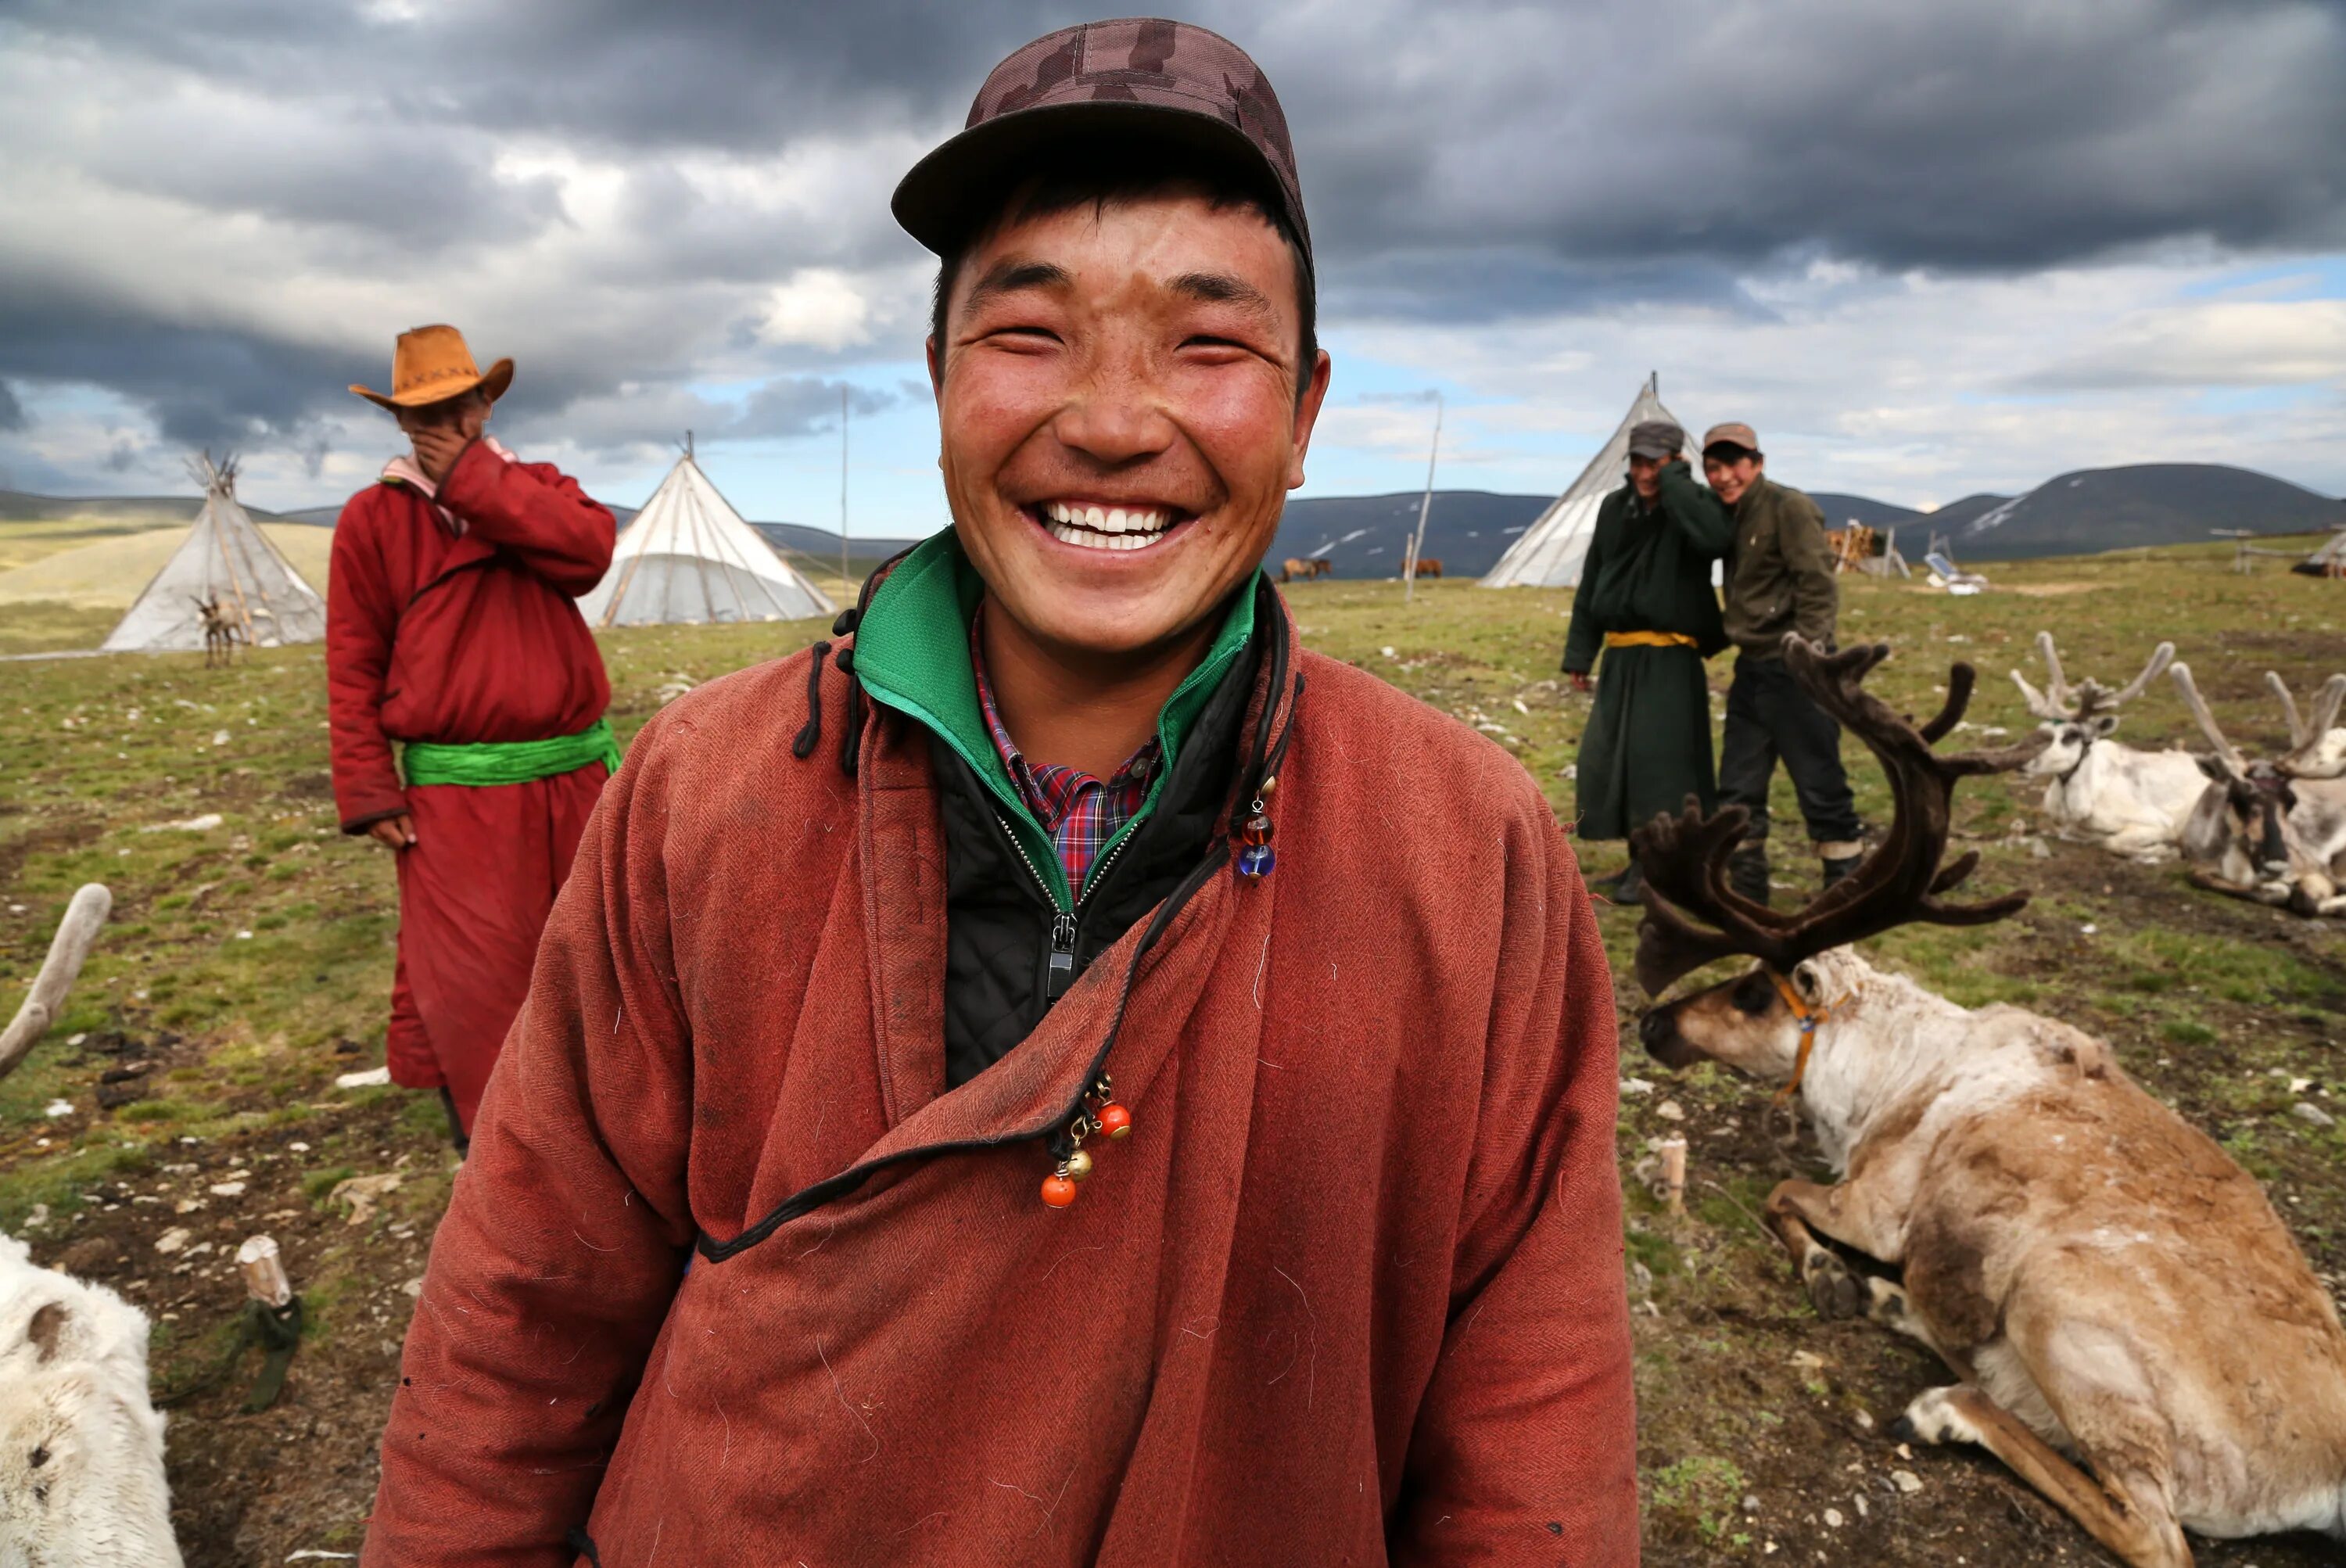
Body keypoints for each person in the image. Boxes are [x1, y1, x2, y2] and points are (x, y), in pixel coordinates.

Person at [361, 21, 1636, 1566]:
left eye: (1208, 344)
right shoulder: (704, 794)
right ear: (939, 380)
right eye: (1029, 334)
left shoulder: (1468, 850)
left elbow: (1534, 1429)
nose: (1109, 419)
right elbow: (525, 1307)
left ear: (1303, 412)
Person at [328, 325, 618, 1150]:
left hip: (572, 782)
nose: (447, 422)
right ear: (399, 422)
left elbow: (589, 554)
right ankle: (498, 1148)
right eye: (426, 411)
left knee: (596, 959)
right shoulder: (373, 519)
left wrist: (477, 482)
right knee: (477, 982)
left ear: (486, 404)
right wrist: (367, 787)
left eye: (460, 404)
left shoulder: (540, 490)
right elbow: (352, 659)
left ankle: (613, 1128)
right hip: (455, 797)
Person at [1561, 420, 1732, 903]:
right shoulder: (1617, 508)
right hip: (1621, 656)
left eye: (1656, 462)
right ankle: (1639, 860)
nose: (1645, 472)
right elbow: (1593, 580)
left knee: (1662, 766)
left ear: (1676, 461)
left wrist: (1677, 485)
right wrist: (1581, 652)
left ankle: (1661, 869)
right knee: (1613, 760)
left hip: (1670, 658)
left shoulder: (1693, 506)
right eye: (1638, 461)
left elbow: (1715, 540)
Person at [1701, 420, 1863, 902]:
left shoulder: (1788, 507)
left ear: (1758, 463)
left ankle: (1846, 889)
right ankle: (1748, 895)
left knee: (1820, 781)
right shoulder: (1729, 514)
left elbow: (1817, 585)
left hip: (1797, 669)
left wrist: (1808, 655)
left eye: (1735, 463)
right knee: (1738, 786)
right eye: (1714, 466)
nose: (1725, 475)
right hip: (1753, 668)